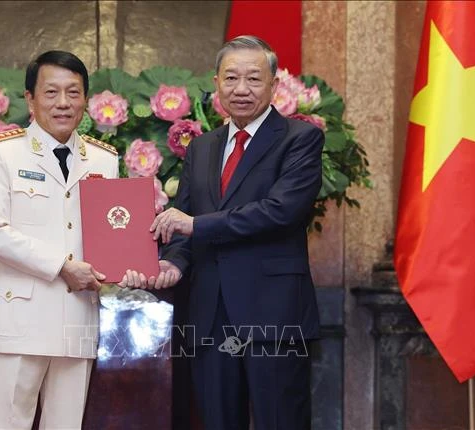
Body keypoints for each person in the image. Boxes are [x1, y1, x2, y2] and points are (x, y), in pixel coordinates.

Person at [121, 35, 324, 429]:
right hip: (210, 315)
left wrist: (195, 226)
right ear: (216, 83)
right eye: (231, 78)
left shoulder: (301, 139)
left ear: (274, 86)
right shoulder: (202, 147)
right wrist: (173, 263)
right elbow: (185, 218)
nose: (241, 89)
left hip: (273, 316)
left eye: (253, 78)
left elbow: (281, 211)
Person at [0, 50, 119, 429]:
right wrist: (61, 266)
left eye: (73, 92)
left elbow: (113, 231)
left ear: (86, 99)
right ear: (30, 99)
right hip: (18, 321)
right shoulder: (3, 151)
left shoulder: (103, 159)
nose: (63, 103)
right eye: (51, 92)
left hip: (77, 318)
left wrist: (126, 263)